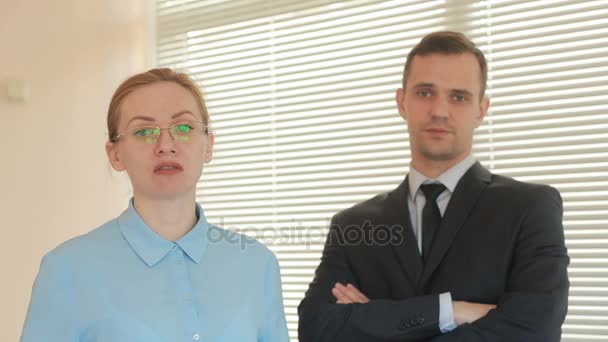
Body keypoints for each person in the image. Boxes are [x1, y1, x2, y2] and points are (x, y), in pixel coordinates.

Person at [298, 31, 569, 341]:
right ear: (402, 102)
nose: (440, 111)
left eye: (459, 97)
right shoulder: (352, 225)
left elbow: (536, 330)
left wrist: (377, 320)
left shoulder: (530, 208)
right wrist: (450, 311)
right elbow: (317, 329)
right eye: (425, 93)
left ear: (482, 109)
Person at [21, 68, 289, 342]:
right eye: (144, 131)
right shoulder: (67, 269)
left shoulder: (258, 265)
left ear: (208, 145)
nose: (165, 145)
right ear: (115, 155)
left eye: (184, 127)